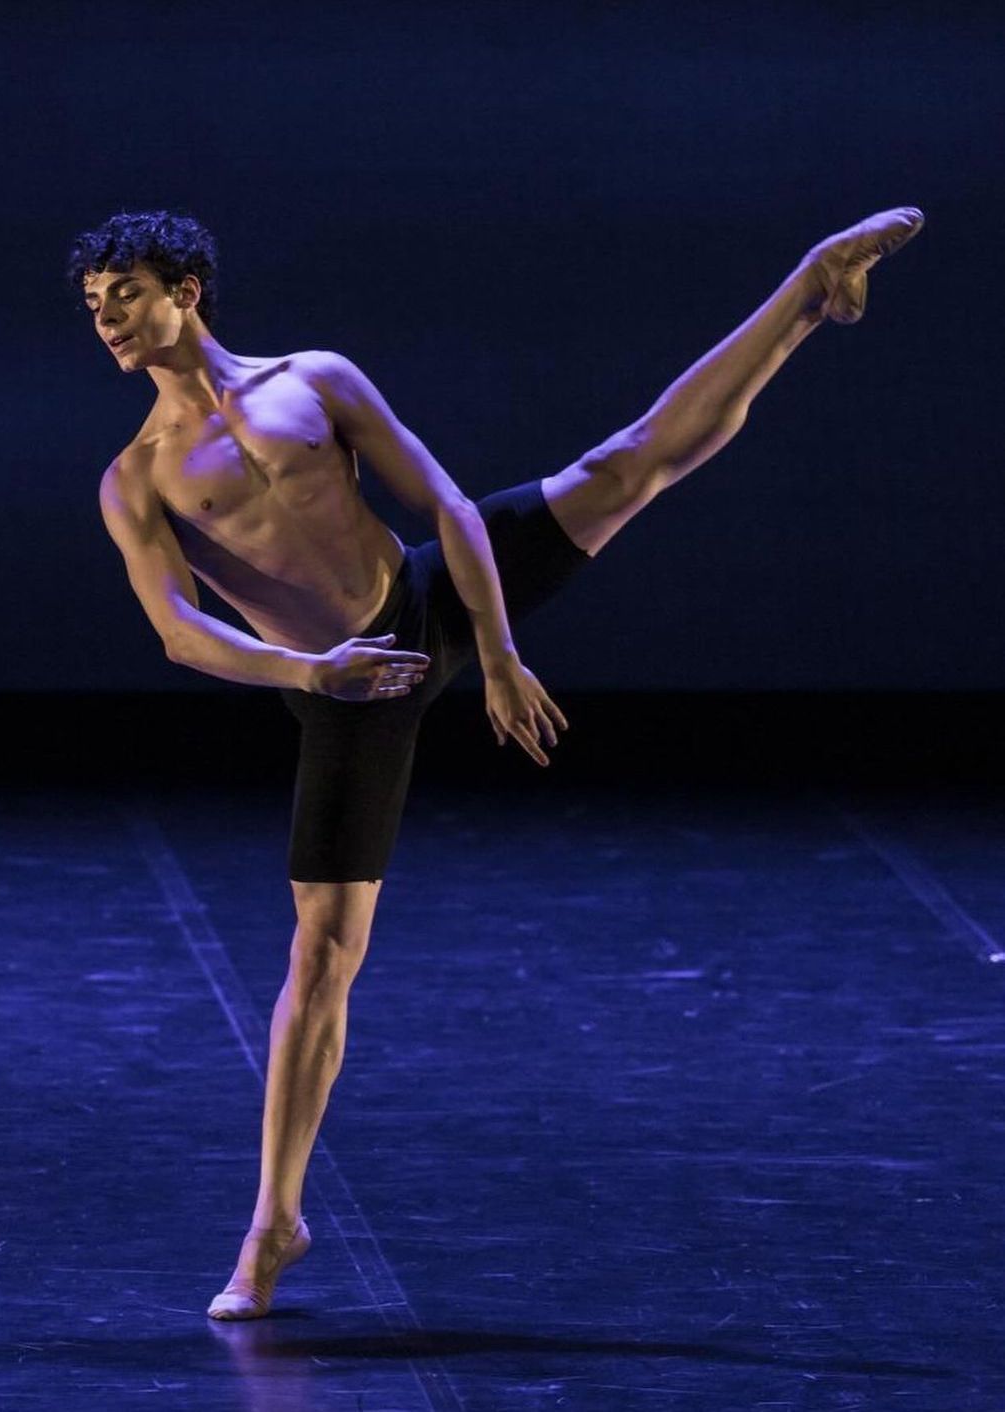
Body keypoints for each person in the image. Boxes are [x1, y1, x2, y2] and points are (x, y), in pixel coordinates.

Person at [66, 202, 924, 1319]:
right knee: (322, 955)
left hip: (430, 599)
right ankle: (275, 1222)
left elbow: (448, 503)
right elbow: (178, 631)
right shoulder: (138, 475)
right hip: (346, 682)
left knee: (626, 463)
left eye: (124, 294)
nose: (107, 320)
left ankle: (811, 286)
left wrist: (501, 653)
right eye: (95, 306)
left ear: (184, 291)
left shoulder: (313, 380)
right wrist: (312, 673)